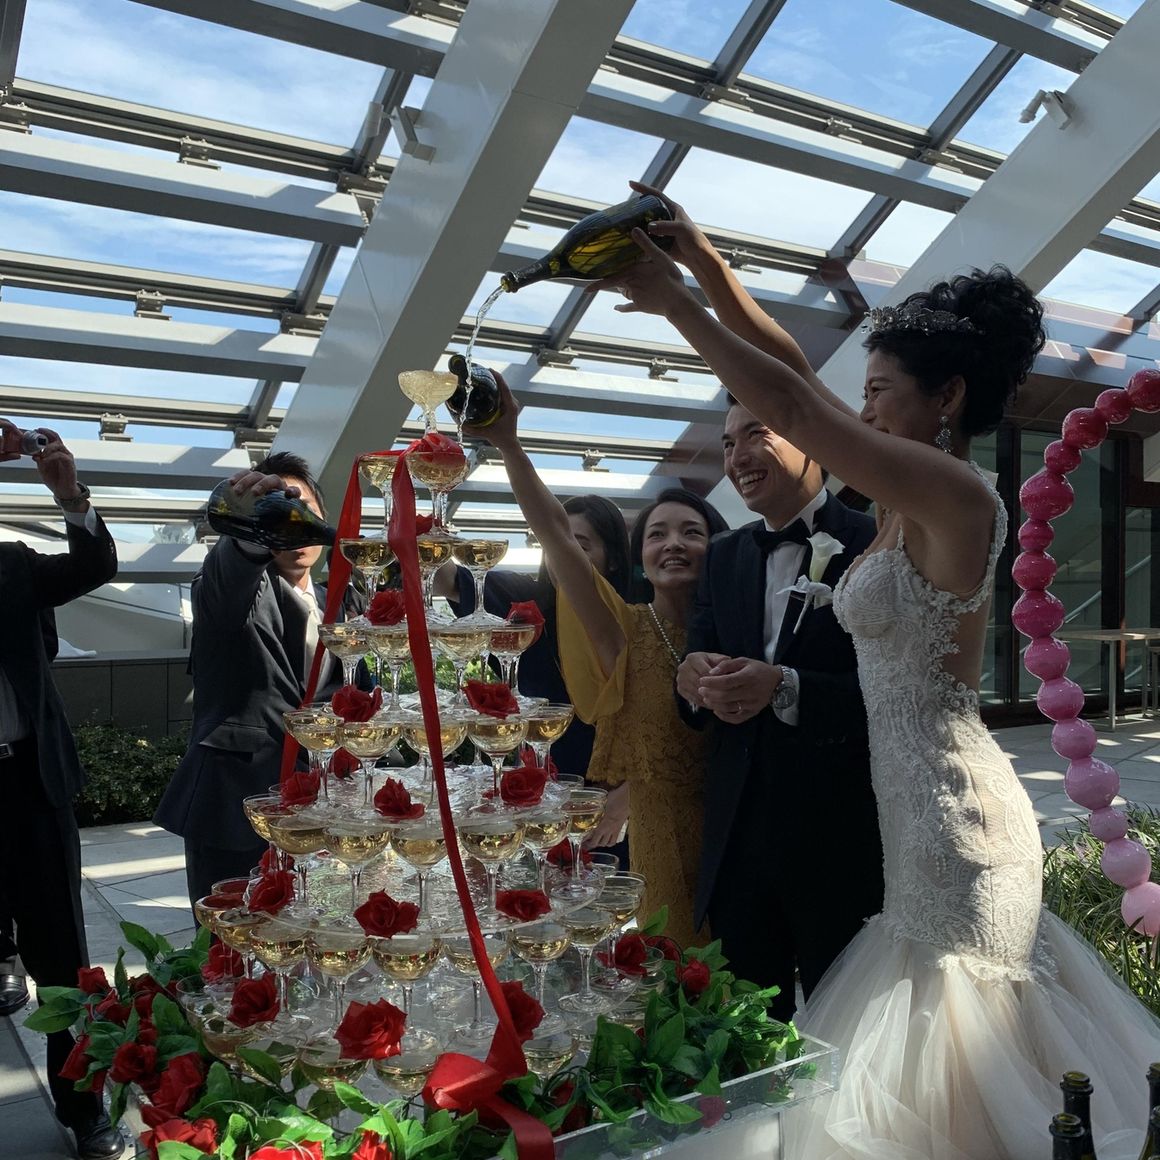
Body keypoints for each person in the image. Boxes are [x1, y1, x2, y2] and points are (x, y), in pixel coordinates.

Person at [603, 216, 1160, 1153]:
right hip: (911, 813)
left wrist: (675, 306)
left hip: (956, 817)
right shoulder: (900, 496)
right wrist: (706, 265)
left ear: (947, 397)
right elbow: (793, 377)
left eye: (878, 391)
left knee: (965, 1051)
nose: (860, 411)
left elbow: (795, 405)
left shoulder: (957, 497)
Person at [465, 395, 727, 947]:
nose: (673, 544)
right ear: (639, 557)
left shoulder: (745, 630)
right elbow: (557, 536)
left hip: (743, 843)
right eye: (657, 534)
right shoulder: (623, 632)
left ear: (718, 547)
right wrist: (509, 445)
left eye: (691, 532)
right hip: (664, 850)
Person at [676, 395, 882, 1023]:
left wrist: (786, 686)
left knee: (844, 1021)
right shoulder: (725, 554)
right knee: (749, 1025)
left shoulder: (874, 541)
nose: (737, 456)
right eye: (727, 443)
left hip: (837, 833)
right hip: (739, 837)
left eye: (755, 434)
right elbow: (696, 660)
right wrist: (692, 681)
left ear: (810, 439)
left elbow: (897, 691)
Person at [155, 451, 368, 909]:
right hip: (236, 804)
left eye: (303, 510)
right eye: (280, 513)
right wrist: (251, 530)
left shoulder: (345, 603)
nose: (294, 525)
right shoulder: (232, 585)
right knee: (235, 936)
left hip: (327, 804)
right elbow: (227, 577)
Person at [0, 420, 122, 1159]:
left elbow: (95, 562)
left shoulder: (12, 566)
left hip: (30, 784)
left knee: (64, 963)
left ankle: (84, 1111)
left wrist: (69, 494)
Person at [432, 495, 631, 782]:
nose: (563, 555)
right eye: (553, 545)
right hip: (542, 786)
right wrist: (421, 527)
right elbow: (446, 581)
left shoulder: (635, 617)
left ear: (613, 560)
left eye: (578, 546)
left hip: (623, 787)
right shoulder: (525, 598)